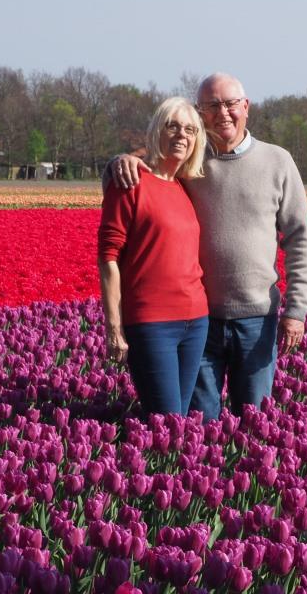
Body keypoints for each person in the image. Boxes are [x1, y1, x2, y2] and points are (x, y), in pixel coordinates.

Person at [111, 72, 307, 421]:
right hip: (200, 320)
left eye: (231, 104)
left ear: (246, 107)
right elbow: (155, 161)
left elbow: (300, 238)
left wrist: (297, 310)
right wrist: (124, 159)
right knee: (200, 425)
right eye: (212, 106)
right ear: (199, 113)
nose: (223, 113)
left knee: (253, 421)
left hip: (257, 317)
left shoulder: (277, 161)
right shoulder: (190, 163)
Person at [98, 97, 209, 416]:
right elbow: (108, 258)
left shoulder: (185, 187)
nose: (181, 135)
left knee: (180, 422)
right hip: (151, 322)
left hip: (196, 320)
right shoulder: (130, 183)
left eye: (189, 130)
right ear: (156, 131)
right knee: (166, 421)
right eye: (172, 126)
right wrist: (114, 327)